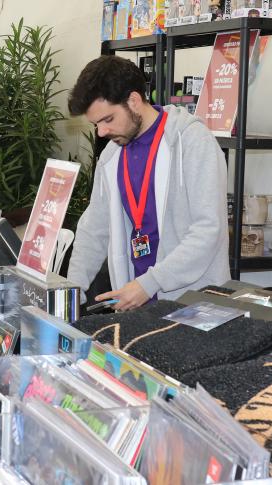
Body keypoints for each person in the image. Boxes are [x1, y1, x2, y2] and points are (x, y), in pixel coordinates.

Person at [66, 55, 230, 311]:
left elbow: (208, 230)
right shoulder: (111, 155)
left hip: (193, 306)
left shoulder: (191, 141)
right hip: (138, 306)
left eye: (108, 119)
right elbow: (93, 230)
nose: (101, 132)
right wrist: (70, 293)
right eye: (96, 124)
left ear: (133, 100)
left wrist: (149, 283)